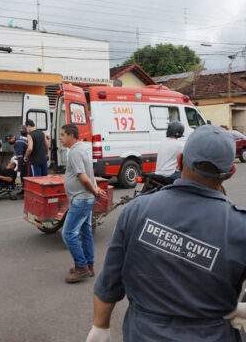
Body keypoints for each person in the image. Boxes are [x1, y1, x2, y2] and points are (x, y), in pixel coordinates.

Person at [87, 124, 246, 342]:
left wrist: (100, 327)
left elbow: (109, 281)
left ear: (180, 160)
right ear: (230, 174)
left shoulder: (137, 210)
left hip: (143, 334)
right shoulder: (240, 226)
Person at [60, 124, 107, 284]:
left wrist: (94, 191)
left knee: (68, 234)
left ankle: (81, 268)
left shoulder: (75, 151)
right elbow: (89, 175)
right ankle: (89, 264)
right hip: (85, 197)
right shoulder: (83, 149)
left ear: (71, 136)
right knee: (85, 232)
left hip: (81, 199)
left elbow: (83, 177)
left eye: (62, 135)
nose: (60, 138)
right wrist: (95, 189)